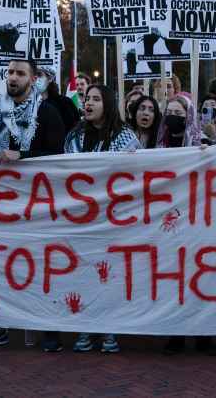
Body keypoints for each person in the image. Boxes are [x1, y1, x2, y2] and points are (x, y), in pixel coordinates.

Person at [0, 59, 66, 353]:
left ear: (33, 78)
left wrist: (23, 155)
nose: (12, 78)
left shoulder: (48, 113)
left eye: (19, 73)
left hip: (37, 204)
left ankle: (48, 328)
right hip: (0, 203)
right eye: (10, 72)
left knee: (41, 265)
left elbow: (58, 154)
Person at [66, 85, 138, 355]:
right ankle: (85, 324)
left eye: (96, 99)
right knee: (85, 272)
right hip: (83, 218)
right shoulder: (74, 136)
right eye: (87, 99)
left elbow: (136, 174)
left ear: (107, 104)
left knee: (110, 273)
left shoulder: (125, 137)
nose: (89, 103)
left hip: (113, 219)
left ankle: (109, 327)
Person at [157, 94, 216, 358]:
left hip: (196, 219)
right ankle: (176, 333)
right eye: (170, 111)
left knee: (198, 277)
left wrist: (213, 145)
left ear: (189, 116)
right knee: (174, 278)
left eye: (180, 113)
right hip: (166, 221)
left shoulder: (200, 142)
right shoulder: (156, 142)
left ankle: (203, 335)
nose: (175, 116)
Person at [36, 66, 80, 132]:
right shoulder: (22, 103)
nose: (35, 78)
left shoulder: (64, 103)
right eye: (32, 74)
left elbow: (73, 130)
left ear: (50, 78)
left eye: (39, 74)